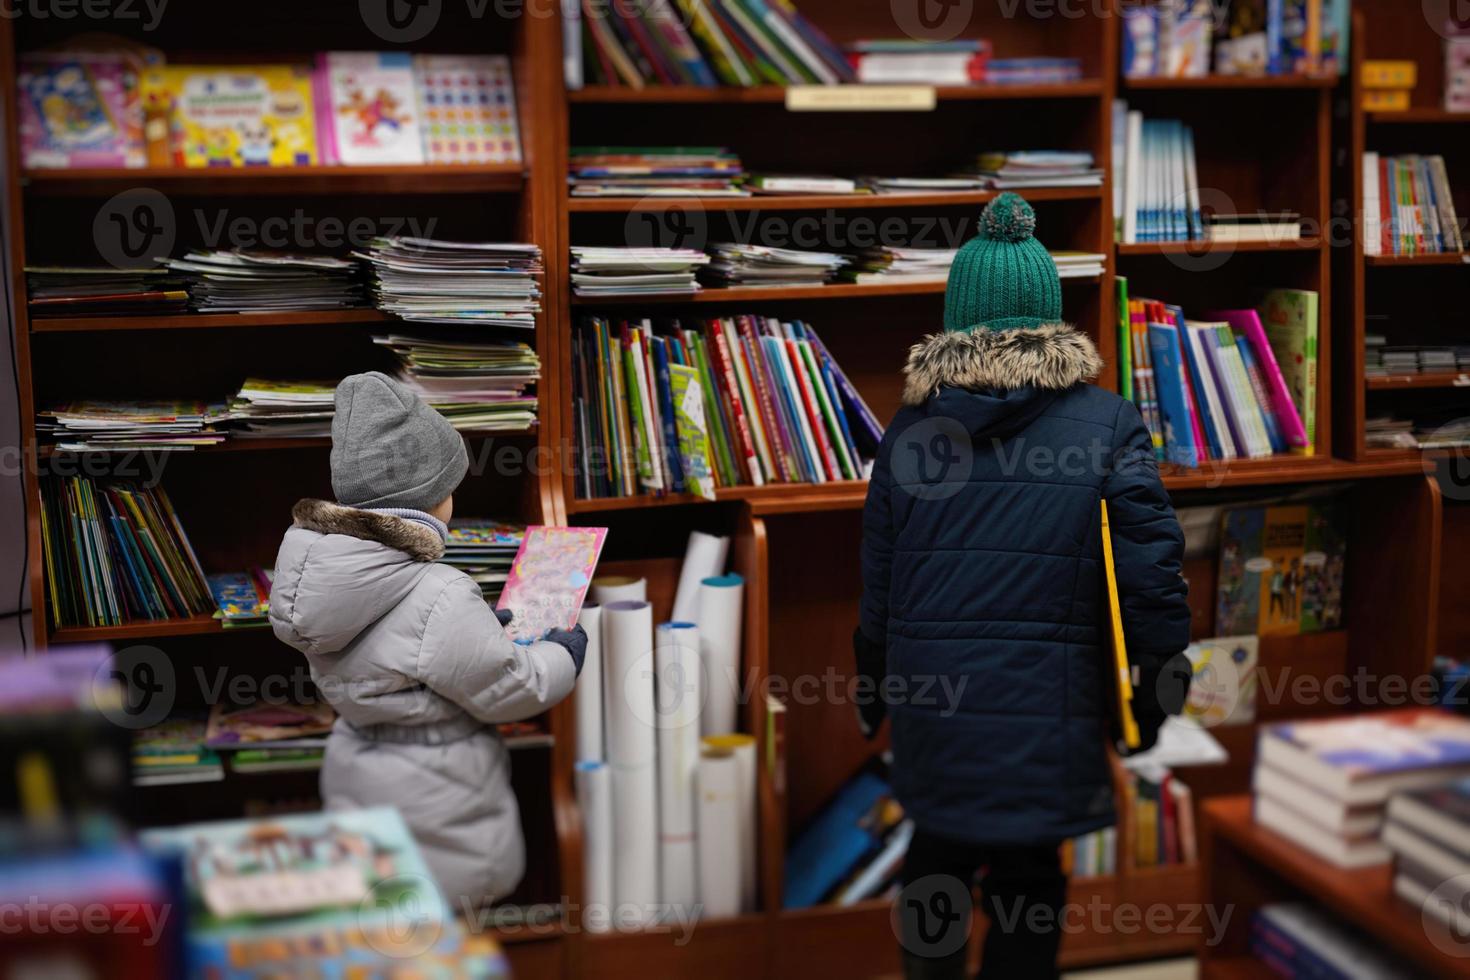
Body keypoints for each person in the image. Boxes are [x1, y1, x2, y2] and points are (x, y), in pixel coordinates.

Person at [855, 194, 1192, 980]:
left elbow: (879, 577)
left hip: (934, 712)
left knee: (935, 864)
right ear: (1051, 313)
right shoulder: (1107, 423)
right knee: (1029, 882)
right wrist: (1158, 687)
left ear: (955, 318)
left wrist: (873, 684)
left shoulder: (909, 429)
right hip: (1055, 716)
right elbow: (1152, 573)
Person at [269, 371, 586, 908]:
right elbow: (510, 688)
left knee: (382, 926)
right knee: (442, 933)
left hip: (360, 770)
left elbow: (400, 651)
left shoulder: (317, 581)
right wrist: (564, 652)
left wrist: (476, 628)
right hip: (440, 794)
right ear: (432, 500)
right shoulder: (439, 591)